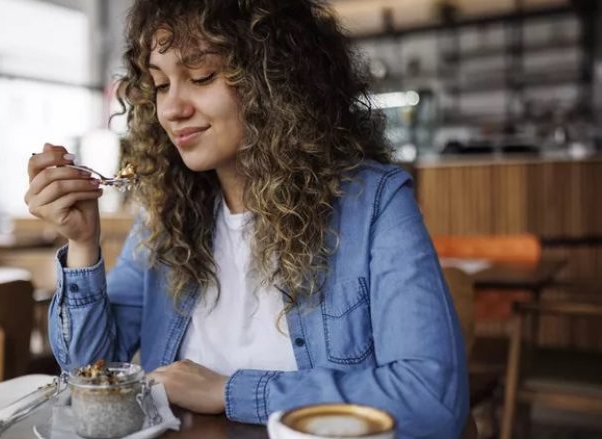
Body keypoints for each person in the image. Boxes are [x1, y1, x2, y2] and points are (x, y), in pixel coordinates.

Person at [25, 0, 469, 437]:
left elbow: (430, 400)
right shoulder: (165, 217)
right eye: (160, 85)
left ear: (276, 80)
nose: (172, 109)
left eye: (201, 76)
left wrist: (229, 391)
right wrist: (82, 245)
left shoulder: (373, 204)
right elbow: (91, 373)